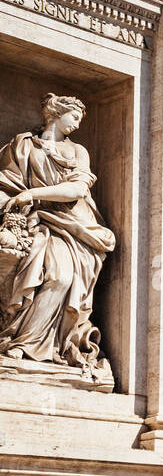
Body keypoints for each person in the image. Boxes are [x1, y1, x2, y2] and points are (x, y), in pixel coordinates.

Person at [0, 93, 116, 370]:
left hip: (76, 224)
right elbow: (5, 183)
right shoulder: (22, 144)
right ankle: (21, 340)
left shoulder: (78, 151)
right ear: (56, 114)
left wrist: (32, 194)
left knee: (62, 278)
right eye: (74, 117)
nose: (76, 124)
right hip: (36, 221)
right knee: (37, 274)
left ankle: (37, 344)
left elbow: (77, 189)